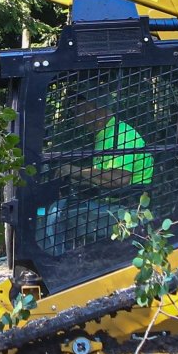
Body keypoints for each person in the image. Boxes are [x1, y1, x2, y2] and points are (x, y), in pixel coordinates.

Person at [36, 92, 153, 257]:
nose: (77, 118)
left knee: (56, 215)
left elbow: (119, 179)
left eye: (78, 111)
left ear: (93, 107)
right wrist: (79, 182)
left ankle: (59, 262)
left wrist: (77, 171)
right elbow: (102, 177)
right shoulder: (105, 134)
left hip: (127, 208)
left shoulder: (121, 135)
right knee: (58, 208)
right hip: (111, 202)